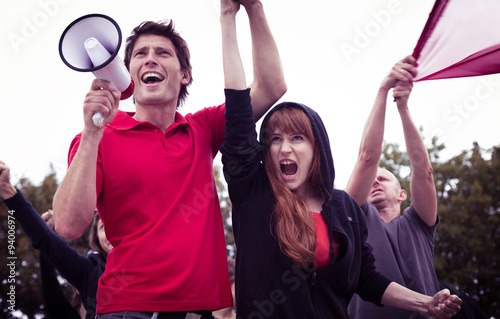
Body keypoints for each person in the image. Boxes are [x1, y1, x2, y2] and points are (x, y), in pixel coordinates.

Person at [52, 0, 286, 317]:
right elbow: (67, 225)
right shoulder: (95, 137)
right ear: (128, 76)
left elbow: (271, 87)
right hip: (128, 309)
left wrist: (253, 8)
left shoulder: (203, 128)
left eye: (162, 53)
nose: (150, 59)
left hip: (199, 310)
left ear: (184, 75)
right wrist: (92, 131)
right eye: (140, 54)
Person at [219, 17, 462, 317]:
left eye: (297, 137)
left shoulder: (344, 207)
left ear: (317, 148)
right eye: (275, 139)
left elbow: (366, 279)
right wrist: (229, 17)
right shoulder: (254, 193)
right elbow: (239, 113)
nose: (284, 147)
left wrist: (425, 303)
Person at [346, 55, 445, 318]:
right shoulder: (355, 219)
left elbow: (423, 171)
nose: (376, 181)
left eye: (385, 178)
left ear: (403, 195)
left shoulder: (418, 224)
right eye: (372, 180)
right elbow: (366, 158)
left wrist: (403, 107)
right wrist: (382, 91)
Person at [0, 161, 110, 319]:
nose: (111, 232)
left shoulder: (149, 260)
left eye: (116, 225)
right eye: (103, 228)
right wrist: (7, 189)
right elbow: (47, 242)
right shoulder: (88, 272)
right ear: (97, 240)